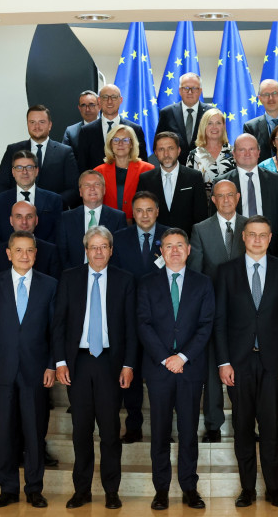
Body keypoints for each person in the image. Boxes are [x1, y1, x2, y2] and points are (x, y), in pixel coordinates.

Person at [213, 216, 278, 509]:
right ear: (243, 237)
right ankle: (247, 488)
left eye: (263, 235)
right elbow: (220, 321)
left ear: (270, 237)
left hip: (274, 363)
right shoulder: (225, 272)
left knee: (271, 428)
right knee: (243, 425)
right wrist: (223, 362)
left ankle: (274, 488)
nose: (258, 240)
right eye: (252, 235)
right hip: (238, 362)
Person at [52, 226, 137, 510]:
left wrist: (128, 364)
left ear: (111, 250)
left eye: (104, 247)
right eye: (93, 247)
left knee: (111, 430)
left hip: (111, 362)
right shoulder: (69, 278)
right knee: (81, 430)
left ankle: (111, 490)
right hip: (79, 361)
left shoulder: (125, 281)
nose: (98, 252)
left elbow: (131, 328)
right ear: (86, 250)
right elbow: (59, 323)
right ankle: (82, 490)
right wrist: (61, 361)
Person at [0, 231, 58, 509]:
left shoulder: (50, 285)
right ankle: (8, 488)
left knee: (35, 433)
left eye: (30, 250)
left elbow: (54, 331)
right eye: (19, 250)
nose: (25, 255)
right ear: (9, 254)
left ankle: (34, 488)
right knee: (6, 432)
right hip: (1, 370)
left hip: (36, 371)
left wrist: (51, 365)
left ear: (36, 253)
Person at [136, 228, 215, 510]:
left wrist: (182, 356)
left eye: (180, 245)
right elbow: (143, 324)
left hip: (190, 369)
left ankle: (189, 487)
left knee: (189, 431)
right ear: (161, 251)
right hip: (158, 370)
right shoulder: (146, 283)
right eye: (168, 246)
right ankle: (161, 489)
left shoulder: (203, 283)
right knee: (159, 431)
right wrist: (165, 358)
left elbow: (206, 325)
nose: (175, 250)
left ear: (189, 249)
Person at [108, 190, 170, 444]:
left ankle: (164, 427)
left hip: (163, 318)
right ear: (132, 214)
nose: (144, 215)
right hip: (129, 317)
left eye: (149, 210)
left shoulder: (170, 237)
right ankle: (133, 424)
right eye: (139, 211)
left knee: (163, 374)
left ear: (157, 211)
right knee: (130, 371)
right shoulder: (119, 239)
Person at [187, 179, 247, 443]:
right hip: (213, 311)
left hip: (247, 312)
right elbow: (197, 274)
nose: (225, 200)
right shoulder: (200, 229)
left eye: (229, 195)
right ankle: (213, 424)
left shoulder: (251, 227)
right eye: (219, 196)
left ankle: (246, 423)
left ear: (238, 197)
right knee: (213, 369)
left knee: (244, 370)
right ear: (213, 200)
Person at [0, 104, 80, 208]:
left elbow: (74, 189)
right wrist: (19, 205)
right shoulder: (13, 150)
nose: (37, 127)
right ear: (27, 124)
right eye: (32, 122)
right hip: (19, 217)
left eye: (41, 122)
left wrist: (52, 203)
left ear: (50, 125)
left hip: (53, 215)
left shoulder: (65, 152)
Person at [215, 133, 278, 247]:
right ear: (234, 153)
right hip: (234, 246)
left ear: (258, 152)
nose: (247, 154)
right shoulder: (221, 182)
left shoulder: (275, 180)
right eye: (242, 149)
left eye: (252, 149)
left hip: (268, 246)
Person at [136, 131, 208, 235]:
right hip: (155, 243)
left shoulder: (194, 177)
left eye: (170, 148)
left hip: (187, 243)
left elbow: (201, 217)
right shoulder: (145, 179)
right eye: (161, 149)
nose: (166, 154)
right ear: (155, 153)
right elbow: (140, 215)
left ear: (178, 150)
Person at [56, 170, 127, 270]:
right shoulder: (66, 218)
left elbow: (120, 253)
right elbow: (62, 254)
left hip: (108, 276)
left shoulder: (118, 218)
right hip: (74, 277)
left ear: (104, 190)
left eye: (97, 184)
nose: (92, 188)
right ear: (80, 192)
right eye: (87, 185)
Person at [0, 150, 63, 245]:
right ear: (13, 172)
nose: (25, 172)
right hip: (7, 257)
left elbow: (58, 236)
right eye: (19, 167)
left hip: (45, 257)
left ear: (36, 171)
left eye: (29, 167)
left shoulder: (54, 200)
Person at [75, 84, 147, 171]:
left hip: (128, 182)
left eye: (114, 97)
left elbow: (142, 164)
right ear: (99, 101)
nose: (109, 101)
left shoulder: (135, 130)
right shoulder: (86, 131)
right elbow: (82, 167)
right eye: (105, 97)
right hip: (97, 183)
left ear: (120, 100)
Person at [94, 124, 155, 221]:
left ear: (131, 144)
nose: (120, 144)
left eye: (125, 140)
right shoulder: (98, 172)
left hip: (139, 224)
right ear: (110, 144)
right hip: (107, 224)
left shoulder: (148, 169)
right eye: (116, 140)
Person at [0, 201, 62, 280]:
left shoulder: (50, 251)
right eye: (18, 216)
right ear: (11, 220)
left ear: (36, 220)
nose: (24, 222)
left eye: (29, 216)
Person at [155, 73, 214, 165]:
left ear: (200, 91)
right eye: (186, 88)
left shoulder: (211, 113)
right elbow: (158, 143)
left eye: (194, 88)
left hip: (205, 168)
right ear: (180, 90)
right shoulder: (167, 113)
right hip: (175, 169)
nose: (190, 92)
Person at [186, 108, 236, 198]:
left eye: (218, 123)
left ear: (224, 126)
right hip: (202, 207)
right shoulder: (194, 155)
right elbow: (189, 187)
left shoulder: (234, 153)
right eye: (210, 123)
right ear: (203, 126)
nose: (214, 127)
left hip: (229, 205)